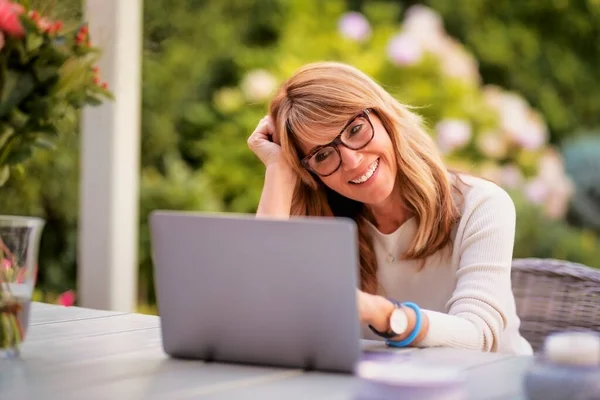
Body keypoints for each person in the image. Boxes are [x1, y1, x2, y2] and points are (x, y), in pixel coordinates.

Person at [247, 61, 533, 355]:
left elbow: (481, 337)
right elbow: (259, 308)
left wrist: (383, 314)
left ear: (384, 117)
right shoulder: (326, 224)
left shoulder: (482, 205)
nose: (352, 160)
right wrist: (279, 168)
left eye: (355, 129)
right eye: (322, 156)